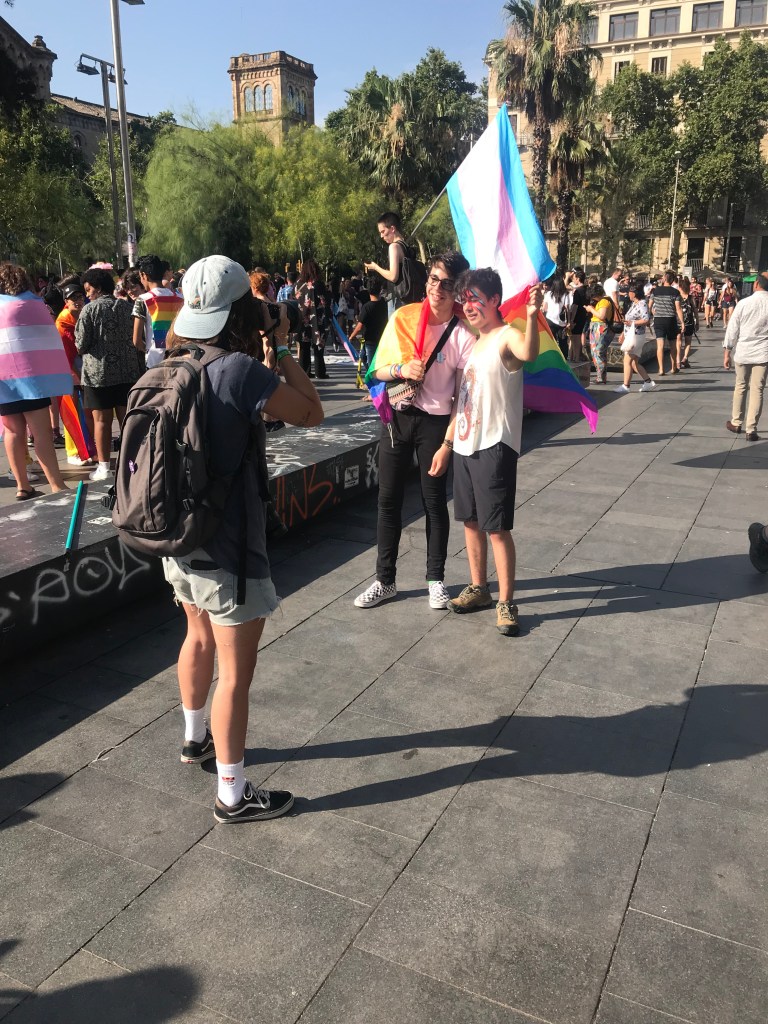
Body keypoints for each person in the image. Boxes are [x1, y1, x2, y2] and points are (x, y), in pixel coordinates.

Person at [161, 255, 323, 823]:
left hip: (176, 535)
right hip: (228, 545)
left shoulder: (171, 360)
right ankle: (232, 795)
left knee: (195, 634)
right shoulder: (238, 370)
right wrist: (282, 346)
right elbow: (311, 412)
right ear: (241, 312)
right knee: (235, 675)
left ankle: (194, 738)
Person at [354, 251, 473, 610]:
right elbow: (375, 372)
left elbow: (463, 399)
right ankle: (384, 580)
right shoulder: (404, 317)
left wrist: (447, 445)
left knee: (433, 502)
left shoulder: (462, 334)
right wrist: (402, 369)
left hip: (435, 424)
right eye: (434, 279)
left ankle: (436, 579)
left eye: (447, 283)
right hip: (398, 418)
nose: (438, 288)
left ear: (458, 289)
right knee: (387, 500)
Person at [446, 269, 543, 636]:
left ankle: (506, 602)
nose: (469, 306)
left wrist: (532, 316)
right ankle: (479, 588)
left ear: (494, 300)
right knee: (470, 522)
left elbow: (527, 352)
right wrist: (448, 443)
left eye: (475, 298)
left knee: (496, 528)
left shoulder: (507, 336)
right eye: (465, 300)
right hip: (466, 444)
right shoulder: (475, 342)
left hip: (494, 444)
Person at [0, 262, 70, 499]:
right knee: (41, 432)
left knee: (12, 431)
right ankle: (57, 485)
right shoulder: (33, 304)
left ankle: (22, 486)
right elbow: (47, 337)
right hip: (32, 378)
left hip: (4, 379)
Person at [75, 266, 144, 482]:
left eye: (88, 290)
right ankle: (133, 462)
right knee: (127, 420)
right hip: (128, 372)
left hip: (99, 375)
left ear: (97, 288)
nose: (87, 295)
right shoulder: (127, 307)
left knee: (102, 422)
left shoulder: (89, 310)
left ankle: (104, 467)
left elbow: (81, 344)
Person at [723, 270, 768, 442]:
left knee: (741, 386)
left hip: (743, 351)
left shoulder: (744, 303)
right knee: (758, 390)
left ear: (756, 284)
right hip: (763, 353)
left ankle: (736, 422)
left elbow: (732, 328)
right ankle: (751, 429)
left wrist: (727, 351)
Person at [55, 277, 95, 466]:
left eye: (80, 297)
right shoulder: (63, 322)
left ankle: (87, 448)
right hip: (68, 371)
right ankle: (73, 452)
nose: (78, 301)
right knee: (71, 412)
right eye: (73, 298)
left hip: (82, 370)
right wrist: (73, 375)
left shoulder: (82, 315)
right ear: (66, 301)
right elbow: (65, 353)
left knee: (85, 411)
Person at [132, 254, 184, 370]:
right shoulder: (180, 298)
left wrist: (149, 350)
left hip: (155, 362)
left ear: (144, 275)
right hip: (179, 358)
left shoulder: (143, 300)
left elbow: (136, 341)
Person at [613, 282, 656, 394]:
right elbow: (628, 321)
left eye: (629, 292)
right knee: (634, 363)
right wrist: (623, 333)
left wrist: (632, 323)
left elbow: (646, 320)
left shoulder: (642, 304)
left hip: (636, 336)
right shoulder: (634, 303)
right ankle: (648, 381)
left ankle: (626, 386)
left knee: (627, 360)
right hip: (631, 334)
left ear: (634, 293)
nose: (628, 294)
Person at [363, 212, 408, 318]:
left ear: (392, 228)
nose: (381, 236)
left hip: (398, 299)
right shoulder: (407, 246)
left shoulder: (394, 247)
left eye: (383, 231)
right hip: (410, 297)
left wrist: (375, 267)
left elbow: (393, 276)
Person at [295, 260, 329, 379]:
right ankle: (320, 371)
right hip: (316, 319)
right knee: (318, 346)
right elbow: (324, 301)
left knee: (304, 347)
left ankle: (305, 371)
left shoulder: (298, 284)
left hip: (302, 319)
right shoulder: (318, 284)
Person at [648, 270, 683, 375]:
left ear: (664, 279)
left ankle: (661, 369)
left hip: (658, 320)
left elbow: (649, 306)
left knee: (660, 345)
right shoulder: (675, 292)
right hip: (670, 320)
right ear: (672, 280)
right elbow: (678, 308)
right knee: (673, 345)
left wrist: (651, 314)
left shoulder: (655, 291)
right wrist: (682, 322)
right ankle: (673, 368)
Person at [347, 278, 388, 369]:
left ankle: (372, 377)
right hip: (382, 337)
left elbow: (359, 326)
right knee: (363, 356)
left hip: (370, 339)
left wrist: (351, 336)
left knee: (371, 364)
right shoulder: (384, 304)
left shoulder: (367, 307)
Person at [586, 283, 613, 384]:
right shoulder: (602, 301)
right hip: (596, 327)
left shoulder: (604, 301)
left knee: (598, 352)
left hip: (600, 327)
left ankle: (601, 377)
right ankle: (601, 376)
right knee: (596, 352)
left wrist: (591, 309)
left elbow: (602, 316)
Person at [541, 275, 569, 358]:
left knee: (551, 341)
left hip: (549, 320)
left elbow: (544, 308)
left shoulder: (548, 294)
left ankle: (552, 358)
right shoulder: (565, 294)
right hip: (561, 322)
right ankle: (564, 358)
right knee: (563, 342)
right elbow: (567, 309)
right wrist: (569, 321)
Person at [567, 269, 589, 362]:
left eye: (574, 278)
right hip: (585, 315)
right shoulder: (587, 289)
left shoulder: (578, 291)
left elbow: (575, 306)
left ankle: (575, 357)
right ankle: (573, 356)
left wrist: (571, 319)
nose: (573, 280)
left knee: (575, 337)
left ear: (578, 279)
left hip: (577, 315)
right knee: (577, 336)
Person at [678, 277, 699, 368]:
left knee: (678, 341)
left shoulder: (677, 298)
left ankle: (678, 360)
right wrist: (697, 322)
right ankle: (685, 358)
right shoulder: (691, 298)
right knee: (688, 341)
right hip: (689, 322)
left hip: (678, 322)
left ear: (680, 287)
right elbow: (695, 311)